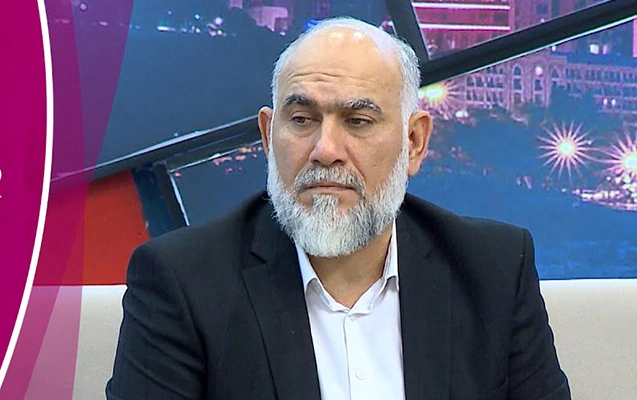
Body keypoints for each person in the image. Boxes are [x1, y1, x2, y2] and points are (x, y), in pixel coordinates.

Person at [106, 17, 570, 400]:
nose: (325, 150)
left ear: (413, 142)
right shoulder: (182, 281)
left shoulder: (493, 270)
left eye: (358, 121)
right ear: (268, 136)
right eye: (302, 119)